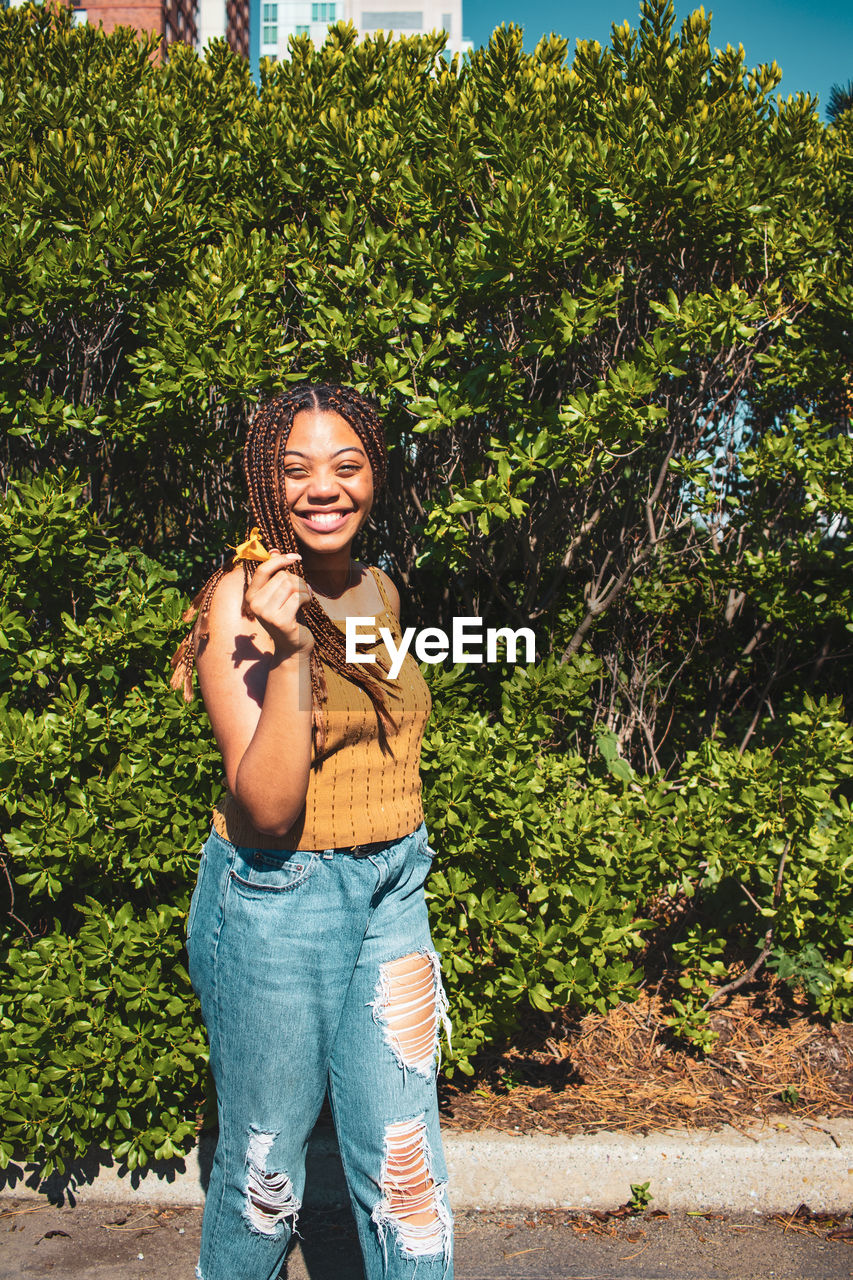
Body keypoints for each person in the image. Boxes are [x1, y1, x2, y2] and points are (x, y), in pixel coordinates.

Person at [172, 383, 454, 1280]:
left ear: (374, 477)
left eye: (346, 465)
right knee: (266, 1182)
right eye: (295, 470)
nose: (322, 488)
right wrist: (290, 652)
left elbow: (381, 745)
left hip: (391, 887)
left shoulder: (379, 591)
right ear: (267, 484)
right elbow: (266, 809)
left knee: (408, 1179)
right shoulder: (237, 603)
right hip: (277, 898)